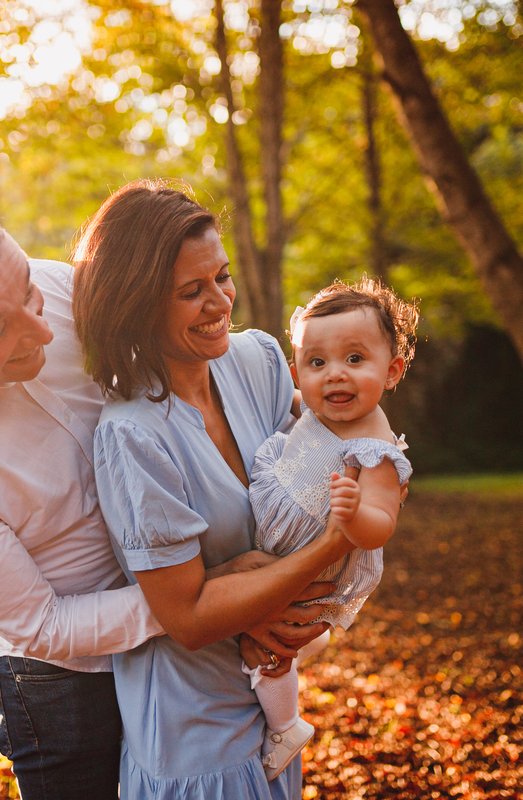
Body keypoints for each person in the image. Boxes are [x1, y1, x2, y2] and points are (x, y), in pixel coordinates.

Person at [0, 194, 328, 800]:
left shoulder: (63, 290)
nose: (44, 326)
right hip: (64, 681)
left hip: (194, 640)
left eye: (25, 289)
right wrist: (201, 599)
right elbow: (43, 624)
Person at [72, 179, 396, 799]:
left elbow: (330, 460)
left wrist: (310, 606)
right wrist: (327, 550)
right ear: (136, 305)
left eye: (221, 277)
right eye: (192, 292)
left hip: (274, 701)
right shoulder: (132, 435)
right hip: (194, 730)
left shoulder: (260, 361)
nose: (221, 302)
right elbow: (189, 618)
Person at [244, 278, 418, 779]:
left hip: (308, 567)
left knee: (270, 655)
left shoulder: (375, 450)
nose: (335, 376)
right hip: (281, 546)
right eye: (318, 363)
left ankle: (285, 725)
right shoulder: (317, 410)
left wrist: (353, 514)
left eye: (355, 360)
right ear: (298, 370)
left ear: (392, 371)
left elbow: (383, 524)